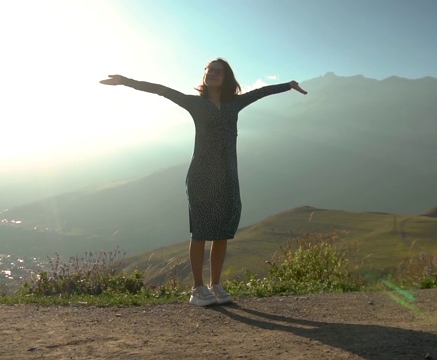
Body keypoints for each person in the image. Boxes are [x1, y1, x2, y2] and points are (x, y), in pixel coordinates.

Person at [100, 58, 307, 306]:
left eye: (217, 71)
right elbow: (162, 90)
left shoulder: (235, 104)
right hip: (201, 174)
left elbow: (261, 92)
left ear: (226, 76)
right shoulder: (195, 103)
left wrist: (288, 85)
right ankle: (197, 289)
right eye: (208, 70)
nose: (211, 74)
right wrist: (125, 81)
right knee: (200, 231)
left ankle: (215, 284)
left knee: (221, 232)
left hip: (227, 175)